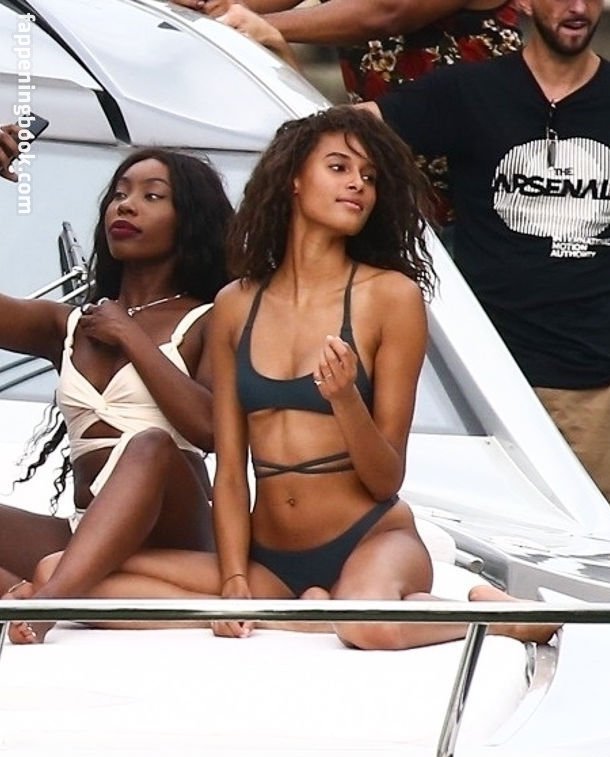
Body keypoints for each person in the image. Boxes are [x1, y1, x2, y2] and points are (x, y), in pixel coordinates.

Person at [35, 106, 555, 649]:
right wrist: (234, 580)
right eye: (339, 167)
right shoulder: (236, 304)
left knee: (368, 625)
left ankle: (497, 617)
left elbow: (386, 479)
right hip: (269, 558)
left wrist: (345, 400)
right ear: (294, 180)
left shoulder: (390, 297)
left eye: (369, 176)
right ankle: (308, 613)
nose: (358, 184)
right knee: (61, 574)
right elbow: (229, 472)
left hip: (370, 539)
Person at [357, 0, 610, 500]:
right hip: (486, 391)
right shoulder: (470, 91)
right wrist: (280, 51)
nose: (577, 7)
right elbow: (338, 137)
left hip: (594, 393)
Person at [1, 147, 234, 642]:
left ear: (189, 220)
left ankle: (48, 603)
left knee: (151, 445)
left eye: (152, 196)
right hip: (83, 531)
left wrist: (129, 336)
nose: (126, 205)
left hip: (176, 534)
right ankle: (29, 595)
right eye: (119, 194)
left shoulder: (213, 318)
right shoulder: (69, 326)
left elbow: (211, 430)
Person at [175, 0, 522, 224]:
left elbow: (389, 11)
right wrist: (207, 7)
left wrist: (258, 26)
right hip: (386, 159)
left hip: (478, 166)